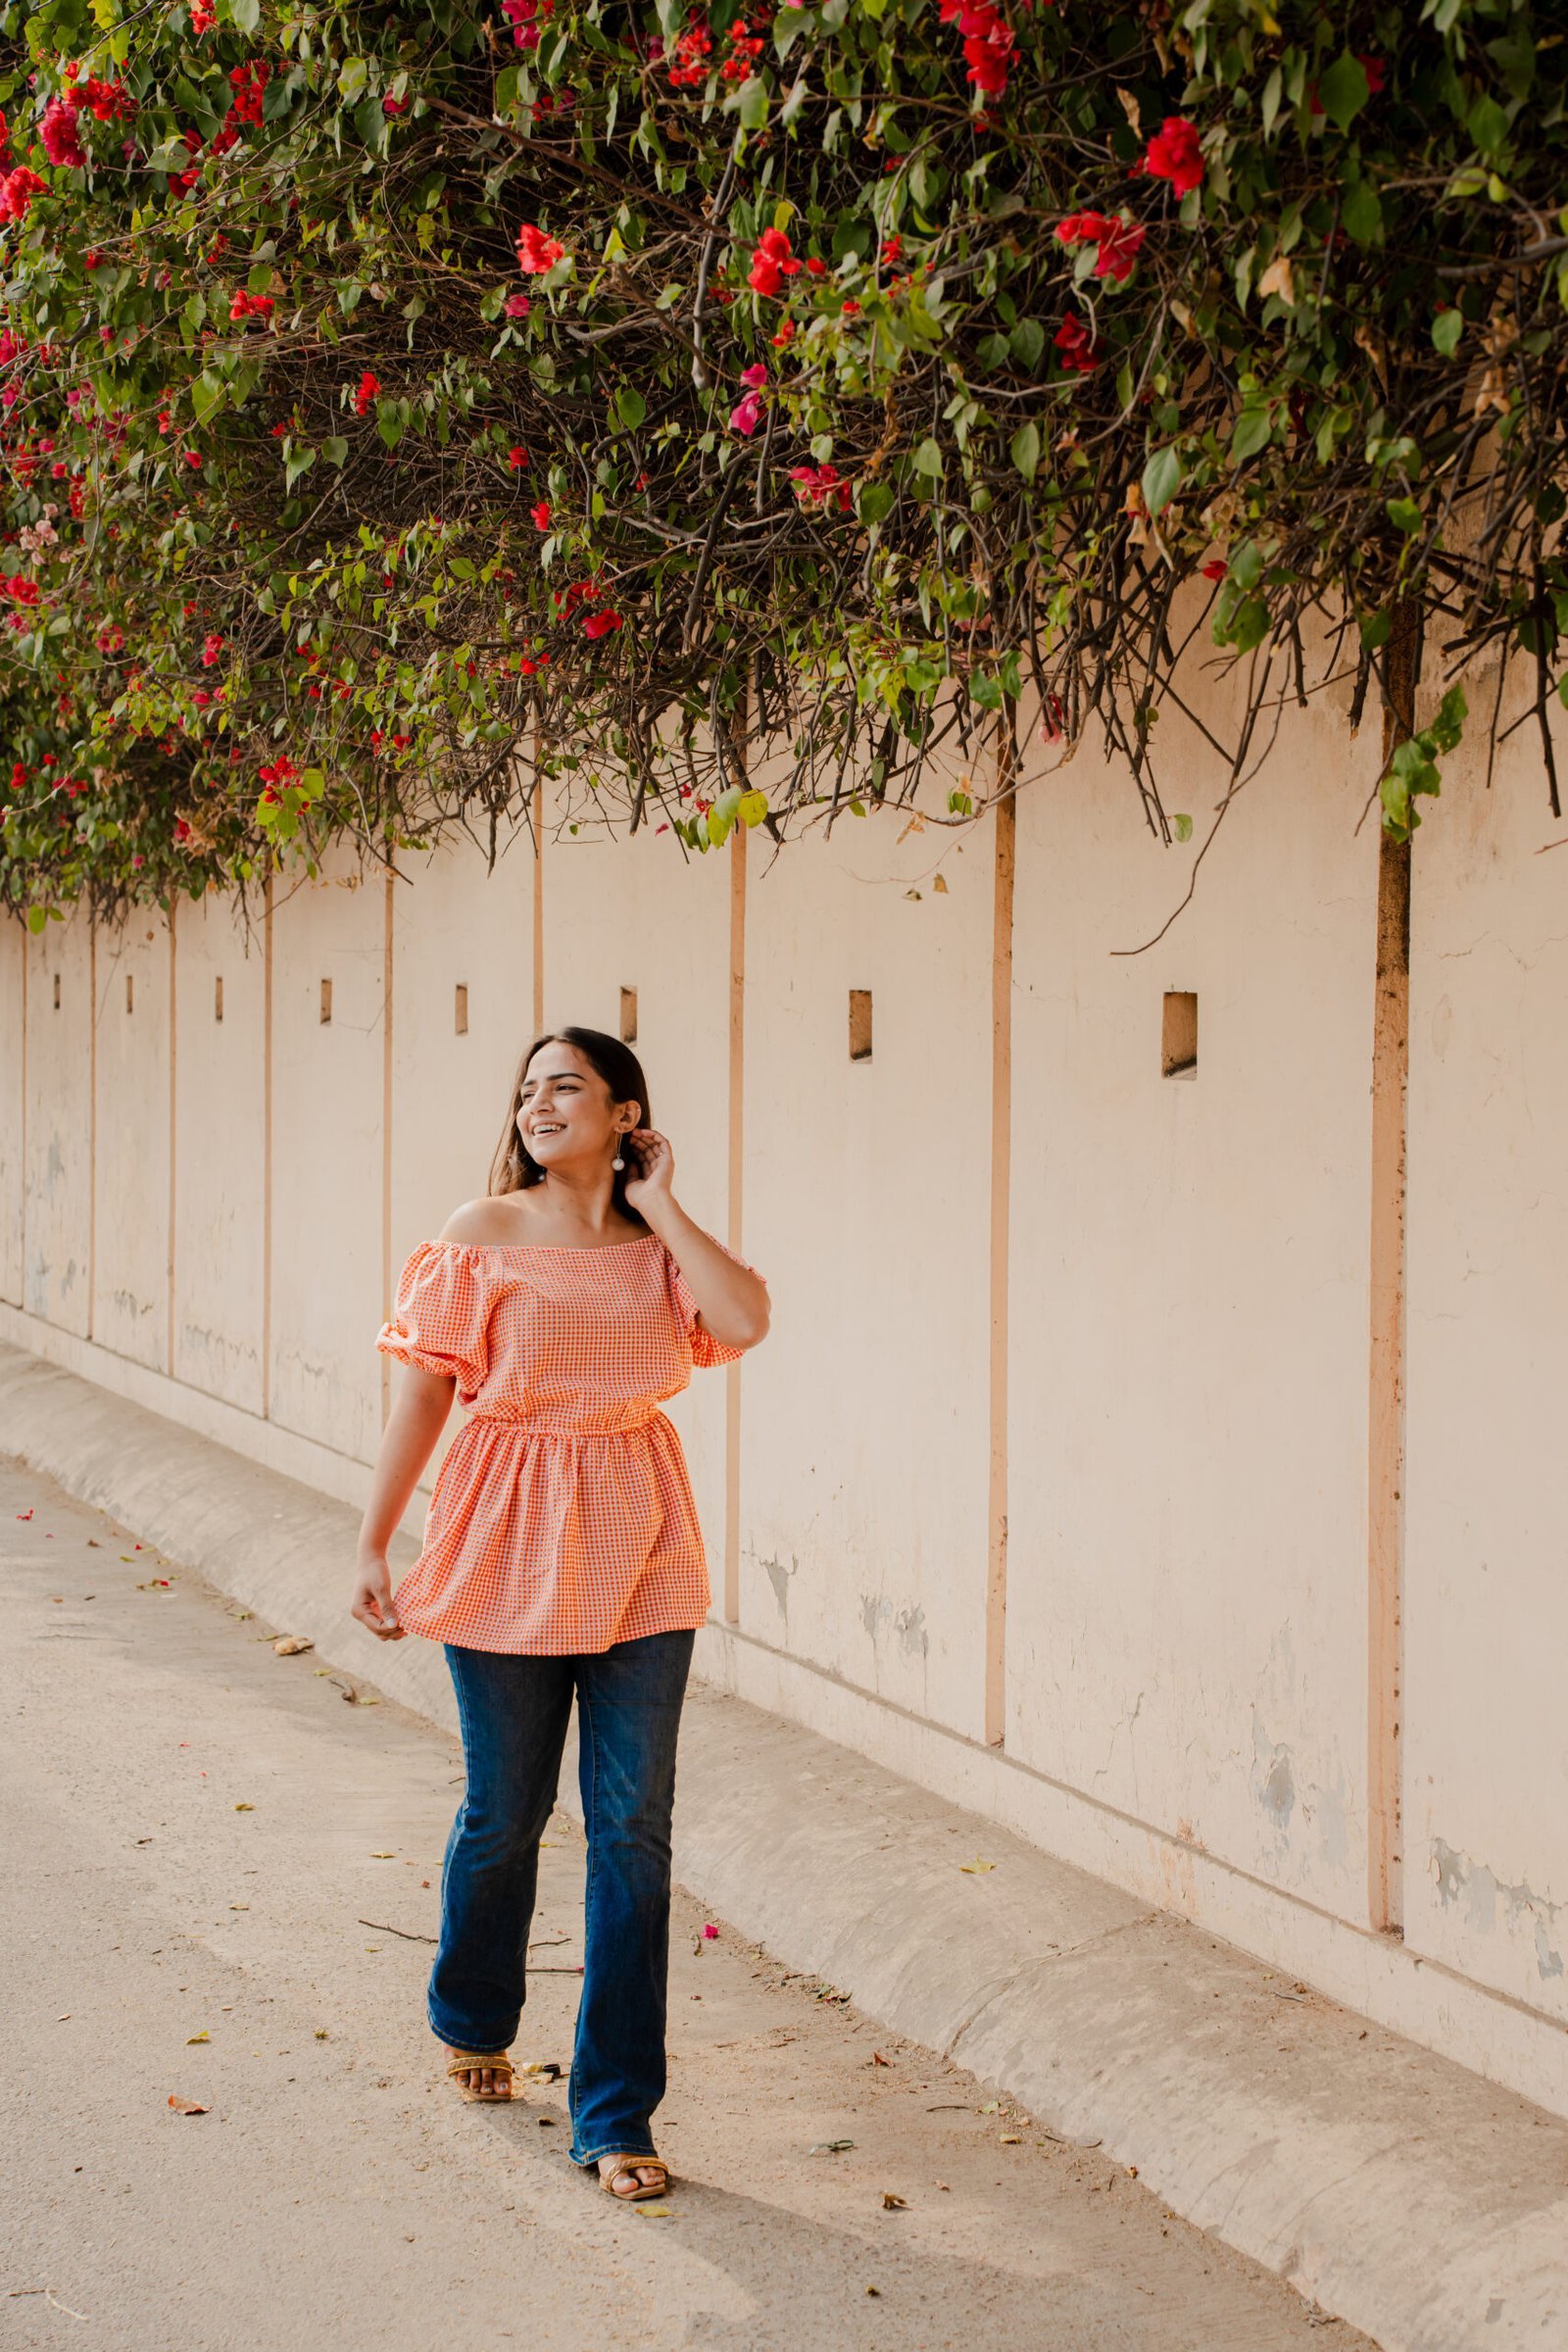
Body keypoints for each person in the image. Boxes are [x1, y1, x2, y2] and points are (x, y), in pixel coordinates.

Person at [351, 1025, 769, 2201]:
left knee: (631, 1828)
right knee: (507, 1809)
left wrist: (666, 1204)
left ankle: (615, 2111)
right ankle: (474, 2014)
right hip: (505, 1531)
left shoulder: (657, 1249)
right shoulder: (479, 1235)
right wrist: (373, 1539)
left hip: (640, 1540)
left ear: (625, 1113)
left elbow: (741, 1321)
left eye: (566, 1088)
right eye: (528, 1090)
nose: (538, 1106)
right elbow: (423, 1398)